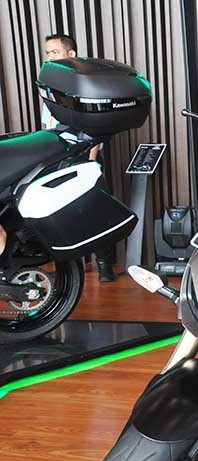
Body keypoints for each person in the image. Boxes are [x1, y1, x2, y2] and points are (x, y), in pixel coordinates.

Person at [40, 34, 117, 282]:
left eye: (54, 52)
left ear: (70, 54)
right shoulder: (51, 85)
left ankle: (104, 266)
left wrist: (91, 162)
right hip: (57, 158)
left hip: (85, 157)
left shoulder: (84, 82)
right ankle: (70, 270)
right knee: (61, 214)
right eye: (47, 53)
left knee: (95, 212)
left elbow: (96, 125)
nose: (49, 58)